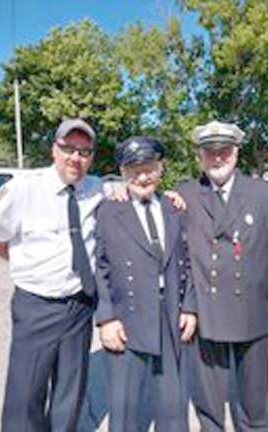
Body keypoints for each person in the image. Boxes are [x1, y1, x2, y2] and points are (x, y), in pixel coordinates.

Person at [0, 118, 103, 432]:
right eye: (68, 148)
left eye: (84, 151)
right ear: (54, 149)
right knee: (26, 394)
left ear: (91, 157)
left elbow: (133, 191)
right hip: (37, 305)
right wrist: (18, 257)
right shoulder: (26, 187)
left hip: (80, 306)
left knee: (70, 392)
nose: (75, 157)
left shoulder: (97, 189)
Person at [177, 120, 268, 432]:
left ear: (236, 154)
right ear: (199, 156)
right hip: (206, 308)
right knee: (209, 398)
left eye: (225, 151)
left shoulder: (264, 192)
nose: (218, 158)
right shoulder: (184, 194)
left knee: (254, 396)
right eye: (210, 151)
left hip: (254, 306)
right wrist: (114, 189)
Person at [95, 136, 198, 432]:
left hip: (171, 315)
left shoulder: (174, 207)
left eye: (149, 168)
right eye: (134, 170)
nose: (142, 176)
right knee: (125, 408)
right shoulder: (108, 209)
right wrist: (107, 318)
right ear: (123, 173)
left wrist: (189, 307)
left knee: (173, 406)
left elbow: (187, 261)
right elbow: (99, 267)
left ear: (160, 169)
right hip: (126, 317)